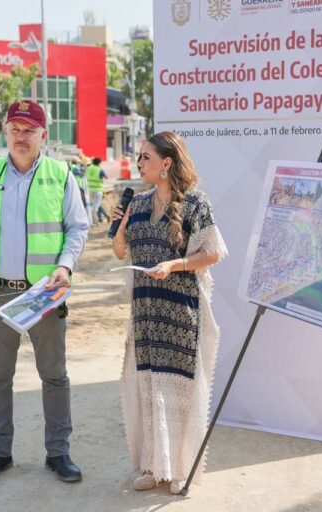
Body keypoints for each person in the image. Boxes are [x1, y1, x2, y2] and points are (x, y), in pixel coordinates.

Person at [0, 99, 89, 485]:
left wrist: (65, 266)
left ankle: (59, 452)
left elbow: (77, 228)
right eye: (15, 129)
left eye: (30, 130)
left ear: (44, 135)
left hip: (44, 294)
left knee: (54, 376)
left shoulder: (60, 174)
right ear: (5, 133)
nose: (21, 136)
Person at [109, 131, 228, 495]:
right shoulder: (138, 203)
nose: (140, 162)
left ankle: (181, 468)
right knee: (148, 387)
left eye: (146, 156)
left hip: (179, 313)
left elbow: (214, 252)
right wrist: (119, 225)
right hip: (144, 313)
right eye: (139, 156)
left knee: (181, 392)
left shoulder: (195, 204)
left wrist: (175, 264)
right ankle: (152, 466)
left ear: (166, 163)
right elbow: (118, 252)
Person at [84, 157, 107, 223]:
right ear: (99, 163)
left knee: (91, 205)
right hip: (98, 190)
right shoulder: (100, 170)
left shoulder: (88, 168)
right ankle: (94, 221)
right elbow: (106, 177)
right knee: (96, 206)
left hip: (89, 190)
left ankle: (91, 220)